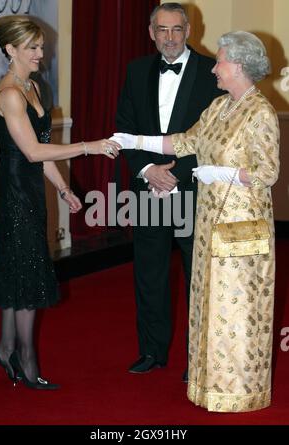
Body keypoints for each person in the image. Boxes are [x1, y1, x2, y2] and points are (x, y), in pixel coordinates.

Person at [112, 31, 280, 412]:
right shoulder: (220, 107)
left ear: (237, 66)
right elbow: (183, 142)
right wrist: (134, 140)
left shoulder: (261, 112)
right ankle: (208, 385)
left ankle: (238, 392)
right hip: (209, 226)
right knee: (209, 304)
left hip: (241, 229)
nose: (214, 68)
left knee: (237, 310)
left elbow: (267, 172)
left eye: (219, 61)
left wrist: (219, 174)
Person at [0, 15, 119, 390]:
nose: (40, 54)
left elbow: (42, 155)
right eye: (32, 47)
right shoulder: (10, 93)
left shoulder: (32, 86)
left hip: (29, 187)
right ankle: (26, 360)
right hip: (13, 189)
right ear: (10, 49)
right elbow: (30, 152)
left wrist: (63, 188)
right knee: (26, 267)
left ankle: (6, 350)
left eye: (41, 46)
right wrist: (89, 147)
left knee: (16, 266)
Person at [116, 2, 222, 379]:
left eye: (177, 29)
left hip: (193, 188)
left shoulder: (213, 72)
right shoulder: (136, 70)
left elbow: (216, 138)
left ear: (189, 30)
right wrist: (147, 169)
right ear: (151, 33)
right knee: (149, 273)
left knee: (199, 275)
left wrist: (176, 173)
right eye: (163, 30)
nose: (170, 37)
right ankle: (151, 351)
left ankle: (199, 357)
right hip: (148, 189)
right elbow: (124, 129)